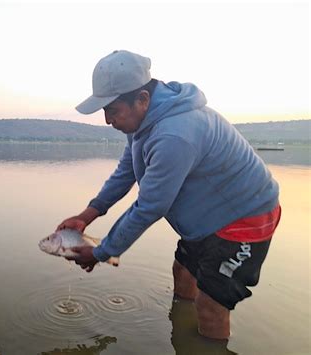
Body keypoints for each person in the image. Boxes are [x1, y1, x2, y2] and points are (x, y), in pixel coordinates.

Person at [57, 50, 280, 340]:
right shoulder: (141, 121)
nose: (108, 120)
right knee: (183, 271)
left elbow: (150, 206)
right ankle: (182, 336)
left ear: (142, 99)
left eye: (112, 110)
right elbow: (128, 168)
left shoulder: (175, 134)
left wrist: (101, 252)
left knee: (211, 304)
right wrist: (87, 214)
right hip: (206, 216)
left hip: (245, 219)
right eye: (104, 111)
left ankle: (207, 340)